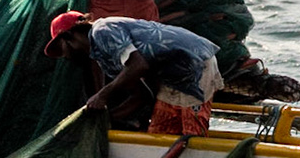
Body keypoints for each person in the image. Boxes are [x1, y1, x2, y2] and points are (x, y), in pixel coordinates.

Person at [43, 12, 223, 136]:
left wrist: (102, 95)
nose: (64, 56)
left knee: (191, 132)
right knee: (160, 132)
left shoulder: (102, 30)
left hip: (195, 62)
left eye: (62, 49)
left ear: (69, 36)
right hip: (170, 76)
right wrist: (107, 120)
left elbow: (138, 65)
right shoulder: (104, 59)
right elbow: (141, 95)